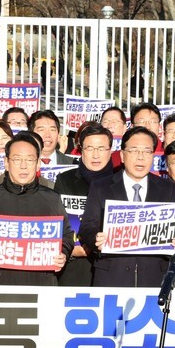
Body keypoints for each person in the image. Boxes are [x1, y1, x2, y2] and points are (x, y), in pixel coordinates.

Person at [79, 126, 175, 287]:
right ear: (122, 155)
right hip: (112, 274)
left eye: (147, 151)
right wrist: (96, 239)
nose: (140, 158)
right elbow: (87, 226)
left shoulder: (167, 188)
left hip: (154, 276)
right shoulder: (101, 187)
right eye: (134, 151)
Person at [0, 131, 73, 285]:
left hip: (41, 283)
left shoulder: (52, 198)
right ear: (6, 162)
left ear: (38, 163)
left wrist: (62, 253)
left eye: (30, 160)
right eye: (17, 159)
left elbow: (66, 236)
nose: (23, 166)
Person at [54, 122, 115, 287]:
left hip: (112, 266)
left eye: (101, 148)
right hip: (74, 266)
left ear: (110, 150)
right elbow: (58, 222)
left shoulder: (122, 180)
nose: (96, 155)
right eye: (89, 149)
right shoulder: (64, 180)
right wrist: (69, 249)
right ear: (81, 150)